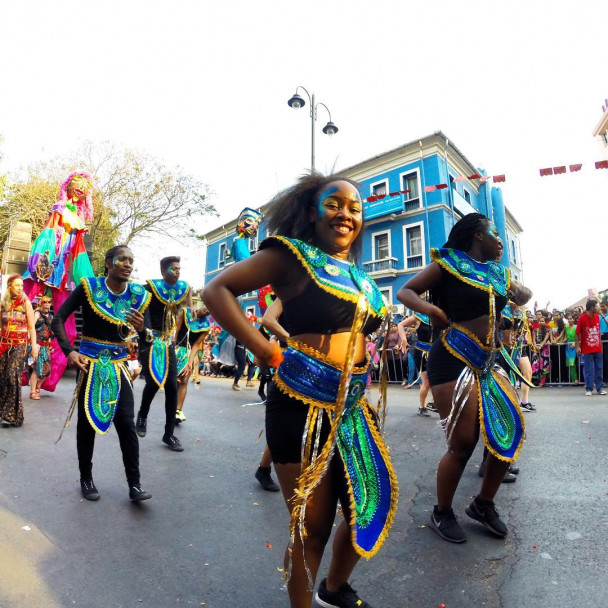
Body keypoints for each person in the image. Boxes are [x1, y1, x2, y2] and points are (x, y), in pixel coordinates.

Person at [203, 174, 397, 608]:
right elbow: (218, 290)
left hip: (351, 408)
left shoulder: (361, 278)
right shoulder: (292, 257)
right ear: (312, 212)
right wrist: (264, 349)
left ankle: (333, 588)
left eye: (354, 207)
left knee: (369, 506)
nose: (346, 214)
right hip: (298, 404)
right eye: (334, 204)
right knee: (312, 525)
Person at [398, 213, 532, 543]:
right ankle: (442, 512)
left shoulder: (498, 273)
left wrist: (512, 285)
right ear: (476, 235)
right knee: (463, 443)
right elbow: (406, 291)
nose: (500, 240)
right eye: (494, 233)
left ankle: (483, 505)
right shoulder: (449, 263)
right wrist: (431, 311)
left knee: (508, 433)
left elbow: (523, 296)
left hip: (489, 360)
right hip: (453, 357)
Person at [51, 245, 152, 501]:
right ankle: (86, 478)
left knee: (126, 425)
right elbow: (58, 319)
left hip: (119, 368)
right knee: (87, 426)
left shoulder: (138, 295)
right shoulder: (89, 287)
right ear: (108, 263)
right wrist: (70, 352)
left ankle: (135, 485)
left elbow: (148, 341)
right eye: (122, 260)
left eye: (131, 260)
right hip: (90, 365)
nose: (128, 265)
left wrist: (141, 331)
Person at [22, 171, 96, 392]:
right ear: (69, 187)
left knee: (70, 330)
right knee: (17, 312)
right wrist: (39, 263)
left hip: (63, 277)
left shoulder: (79, 221)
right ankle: (17, 372)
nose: (80, 189)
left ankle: (48, 380)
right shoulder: (59, 209)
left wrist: (87, 281)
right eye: (76, 184)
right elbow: (47, 235)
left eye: (84, 186)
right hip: (45, 267)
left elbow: (79, 252)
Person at [136, 256, 193, 452]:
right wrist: (150, 336)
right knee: (153, 382)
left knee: (171, 386)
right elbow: (144, 314)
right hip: (149, 340)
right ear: (163, 272)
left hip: (168, 342)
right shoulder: (150, 288)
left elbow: (188, 296)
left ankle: (169, 434)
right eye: (173, 269)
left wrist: (193, 308)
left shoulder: (180, 289)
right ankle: (142, 415)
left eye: (179, 268)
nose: (178, 272)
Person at [0, 275, 39, 426]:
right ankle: (4, 411)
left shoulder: (26, 303)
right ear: (10, 286)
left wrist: (34, 347)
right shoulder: (3, 304)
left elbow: (31, 327)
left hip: (19, 345)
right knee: (2, 377)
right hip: (4, 344)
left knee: (12, 376)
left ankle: (14, 416)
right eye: (17, 285)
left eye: (21, 285)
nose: (20, 288)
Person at [174, 306, 211, 423]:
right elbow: (176, 332)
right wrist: (171, 350)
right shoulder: (185, 312)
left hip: (188, 353)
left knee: (184, 380)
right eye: (208, 307)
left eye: (211, 310)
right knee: (173, 382)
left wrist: (190, 361)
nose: (208, 310)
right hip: (175, 349)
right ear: (204, 303)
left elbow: (196, 344)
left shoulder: (206, 326)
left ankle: (178, 410)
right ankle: (171, 407)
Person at [575, 299, 606, 396]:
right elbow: (577, 333)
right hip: (587, 348)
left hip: (598, 348)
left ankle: (599, 388)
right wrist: (577, 346)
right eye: (597, 306)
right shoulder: (582, 318)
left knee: (599, 368)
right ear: (592, 307)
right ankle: (589, 388)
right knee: (588, 369)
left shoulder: (598, 317)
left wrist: (603, 316)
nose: (599, 308)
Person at [29, 294, 54, 400]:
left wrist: (50, 345)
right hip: (37, 345)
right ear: (41, 303)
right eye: (45, 302)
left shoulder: (51, 316)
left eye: (49, 302)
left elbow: (49, 332)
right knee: (36, 369)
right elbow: (31, 327)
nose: (47, 304)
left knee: (48, 370)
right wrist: (31, 344)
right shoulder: (37, 313)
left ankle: (38, 386)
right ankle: (32, 391)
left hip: (45, 346)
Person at [564, 314, 579, 385]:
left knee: (579, 363)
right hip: (568, 347)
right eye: (568, 319)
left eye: (571, 319)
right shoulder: (566, 328)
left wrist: (575, 343)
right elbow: (565, 337)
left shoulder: (576, 327)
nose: (569, 320)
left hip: (576, 345)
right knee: (570, 363)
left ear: (573, 319)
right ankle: (574, 379)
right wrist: (564, 340)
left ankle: (580, 379)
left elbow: (580, 336)